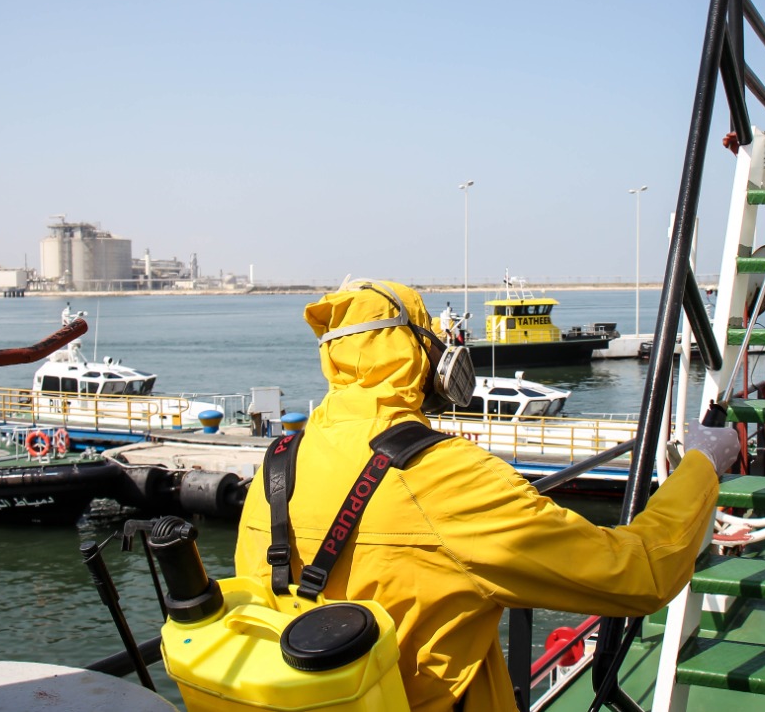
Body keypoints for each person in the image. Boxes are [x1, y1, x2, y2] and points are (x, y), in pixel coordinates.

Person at [234, 279, 738, 712]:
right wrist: (701, 465)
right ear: (421, 354)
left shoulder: (277, 466)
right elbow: (638, 572)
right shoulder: (446, 475)